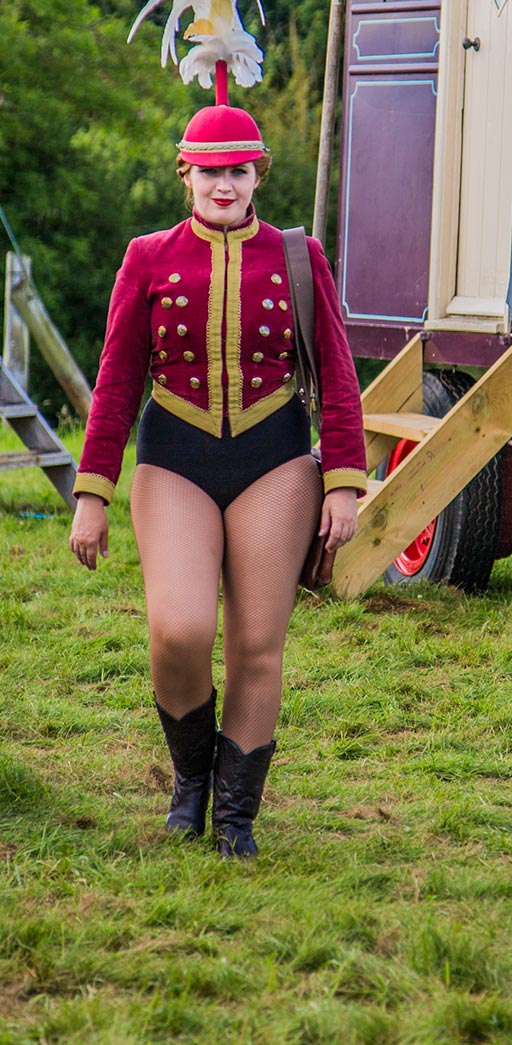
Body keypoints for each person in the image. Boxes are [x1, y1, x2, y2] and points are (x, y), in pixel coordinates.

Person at [68, 102, 368, 858]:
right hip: (175, 459)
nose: (224, 184)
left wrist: (342, 480)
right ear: (186, 174)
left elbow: (337, 372)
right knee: (180, 629)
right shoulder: (146, 257)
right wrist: (91, 495)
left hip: (276, 462)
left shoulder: (301, 257)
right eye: (210, 171)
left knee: (258, 644)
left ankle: (235, 815)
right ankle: (191, 779)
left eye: (238, 170)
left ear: (258, 173)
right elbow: (114, 381)